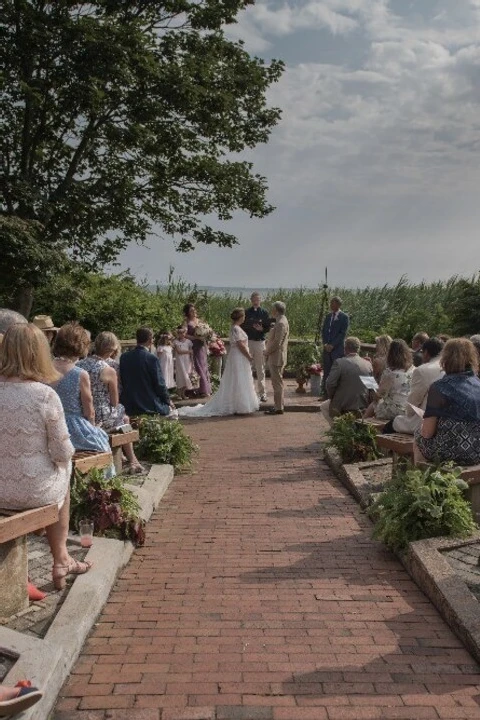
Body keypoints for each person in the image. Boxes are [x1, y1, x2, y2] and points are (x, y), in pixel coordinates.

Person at [0, 323, 91, 590]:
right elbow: (63, 451)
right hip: (33, 490)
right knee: (64, 474)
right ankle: (61, 559)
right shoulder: (44, 395)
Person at [78, 332, 143, 474]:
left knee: (122, 417)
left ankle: (129, 458)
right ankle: (133, 460)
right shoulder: (108, 369)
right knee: (123, 417)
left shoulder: (80, 364)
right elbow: (114, 401)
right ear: (112, 349)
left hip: (82, 413)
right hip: (101, 416)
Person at [177, 308, 259, 417]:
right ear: (241, 317)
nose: (244, 318)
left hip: (236, 356)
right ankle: (240, 405)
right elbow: (241, 345)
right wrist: (249, 356)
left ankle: (238, 403)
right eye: (243, 316)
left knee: (237, 378)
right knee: (239, 378)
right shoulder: (236, 329)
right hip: (239, 356)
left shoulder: (235, 328)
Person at [415, 338, 480, 465]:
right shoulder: (478, 384)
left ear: (445, 358)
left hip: (451, 452)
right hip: (477, 452)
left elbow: (427, 433)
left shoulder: (439, 387)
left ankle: (419, 480)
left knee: (418, 435)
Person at [52, 323, 112, 456]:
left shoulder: (44, 368)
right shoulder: (79, 373)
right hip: (72, 429)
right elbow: (89, 411)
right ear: (82, 345)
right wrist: (93, 428)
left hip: (50, 425)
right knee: (102, 445)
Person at [385, 337, 444, 435]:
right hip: (443, 421)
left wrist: (406, 414)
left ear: (426, 353)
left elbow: (413, 402)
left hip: (424, 421)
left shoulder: (423, 370)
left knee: (390, 425)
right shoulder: (447, 366)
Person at [120, 327, 175, 417]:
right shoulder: (151, 358)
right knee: (172, 411)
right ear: (150, 340)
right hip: (149, 405)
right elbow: (159, 384)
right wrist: (168, 401)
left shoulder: (124, 357)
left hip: (129, 405)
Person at [319, 337, 373, 425]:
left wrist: (332, 396)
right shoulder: (367, 364)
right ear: (358, 349)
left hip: (342, 405)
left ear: (345, 348)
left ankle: (337, 429)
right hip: (362, 404)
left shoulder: (339, 363)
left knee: (324, 407)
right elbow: (372, 388)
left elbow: (330, 383)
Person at [363, 339, 413, 420]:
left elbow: (379, 396)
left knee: (374, 404)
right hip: (407, 408)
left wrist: (371, 386)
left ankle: (361, 423)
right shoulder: (413, 370)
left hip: (393, 410)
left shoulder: (389, 373)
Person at [242, 292, 271, 403]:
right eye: (254, 299)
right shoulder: (246, 312)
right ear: (251, 300)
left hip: (259, 342)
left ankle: (262, 393)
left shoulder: (264, 312)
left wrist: (261, 329)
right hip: (248, 341)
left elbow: (268, 327)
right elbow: (242, 325)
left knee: (260, 368)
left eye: (257, 299)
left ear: (260, 300)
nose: (256, 301)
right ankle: (248, 392)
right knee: (247, 367)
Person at [264, 301, 290, 415]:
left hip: (276, 357)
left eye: (273, 308)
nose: (271, 310)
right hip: (277, 356)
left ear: (276, 310)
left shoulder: (280, 323)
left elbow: (277, 342)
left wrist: (267, 351)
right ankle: (278, 405)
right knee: (277, 382)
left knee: (277, 383)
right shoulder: (281, 321)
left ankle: (278, 407)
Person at [321, 297, 349, 395]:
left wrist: (332, 345)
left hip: (337, 349)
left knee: (336, 372)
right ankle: (325, 393)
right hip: (326, 349)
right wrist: (325, 344)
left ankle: (336, 394)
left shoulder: (344, 317)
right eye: (330, 303)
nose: (331, 305)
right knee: (326, 371)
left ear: (338, 304)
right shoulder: (328, 316)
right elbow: (324, 331)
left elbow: (342, 334)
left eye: (333, 303)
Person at [183, 303, 211, 397]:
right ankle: (200, 390)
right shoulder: (186, 322)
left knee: (204, 366)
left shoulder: (199, 321)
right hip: (193, 346)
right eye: (191, 310)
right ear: (188, 313)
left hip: (202, 345)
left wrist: (207, 335)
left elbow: (206, 331)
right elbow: (184, 334)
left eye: (194, 310)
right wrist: (195, 337)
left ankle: (204, 389)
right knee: (196, 366)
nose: (194, 311)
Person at [173, 326, 194, 399]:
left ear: (185, 333)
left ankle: (183, 394)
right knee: (180, 376)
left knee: (187, 376)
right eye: (179, 333)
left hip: (187, 361)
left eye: (182, 332)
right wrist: (189, 351)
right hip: (180, 361)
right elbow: (179, 352)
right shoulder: (175, 342)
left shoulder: (188, 342)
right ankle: (179, 394)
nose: (181, 334)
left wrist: (192, 362)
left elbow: (192, 353)